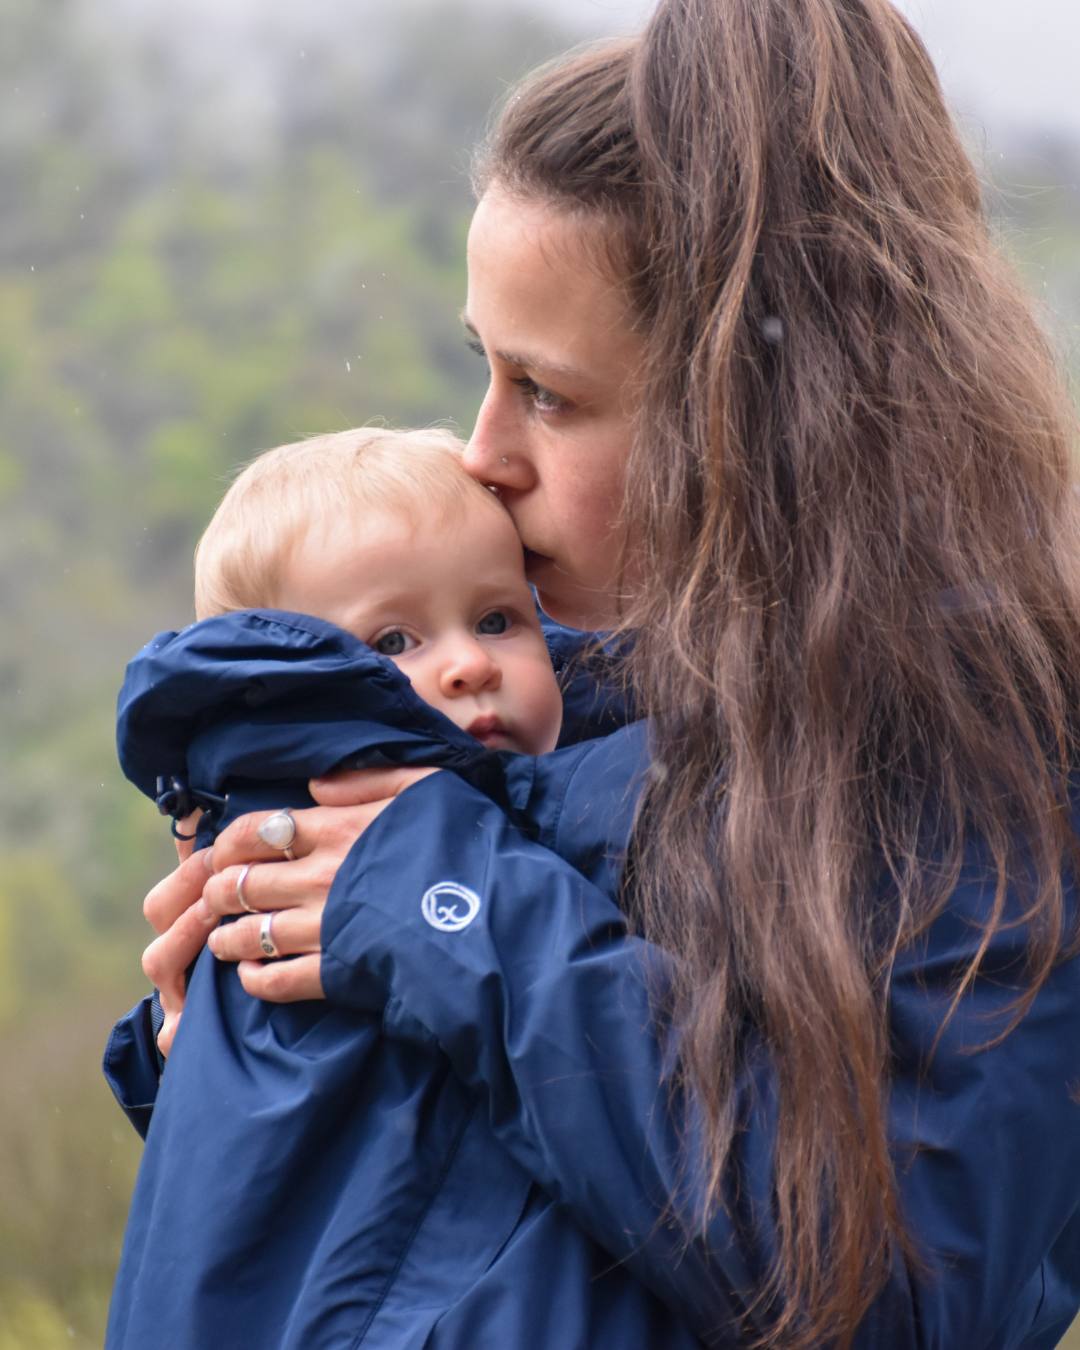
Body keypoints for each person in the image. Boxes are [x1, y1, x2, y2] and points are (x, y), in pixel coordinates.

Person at [129, 1, 1080, 1347]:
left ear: (757, 415)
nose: (480, 453)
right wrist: (238, 1056)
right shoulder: (517, 710)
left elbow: (899, 1293)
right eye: (484, 372)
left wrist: (443, 904)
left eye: (549, 393)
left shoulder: (989, 752)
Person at [106, 426, 693, 1348]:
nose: (469, 663)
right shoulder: (296, 880)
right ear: (285, 683)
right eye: (394, 640)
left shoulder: (553, 816)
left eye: (500, 618)